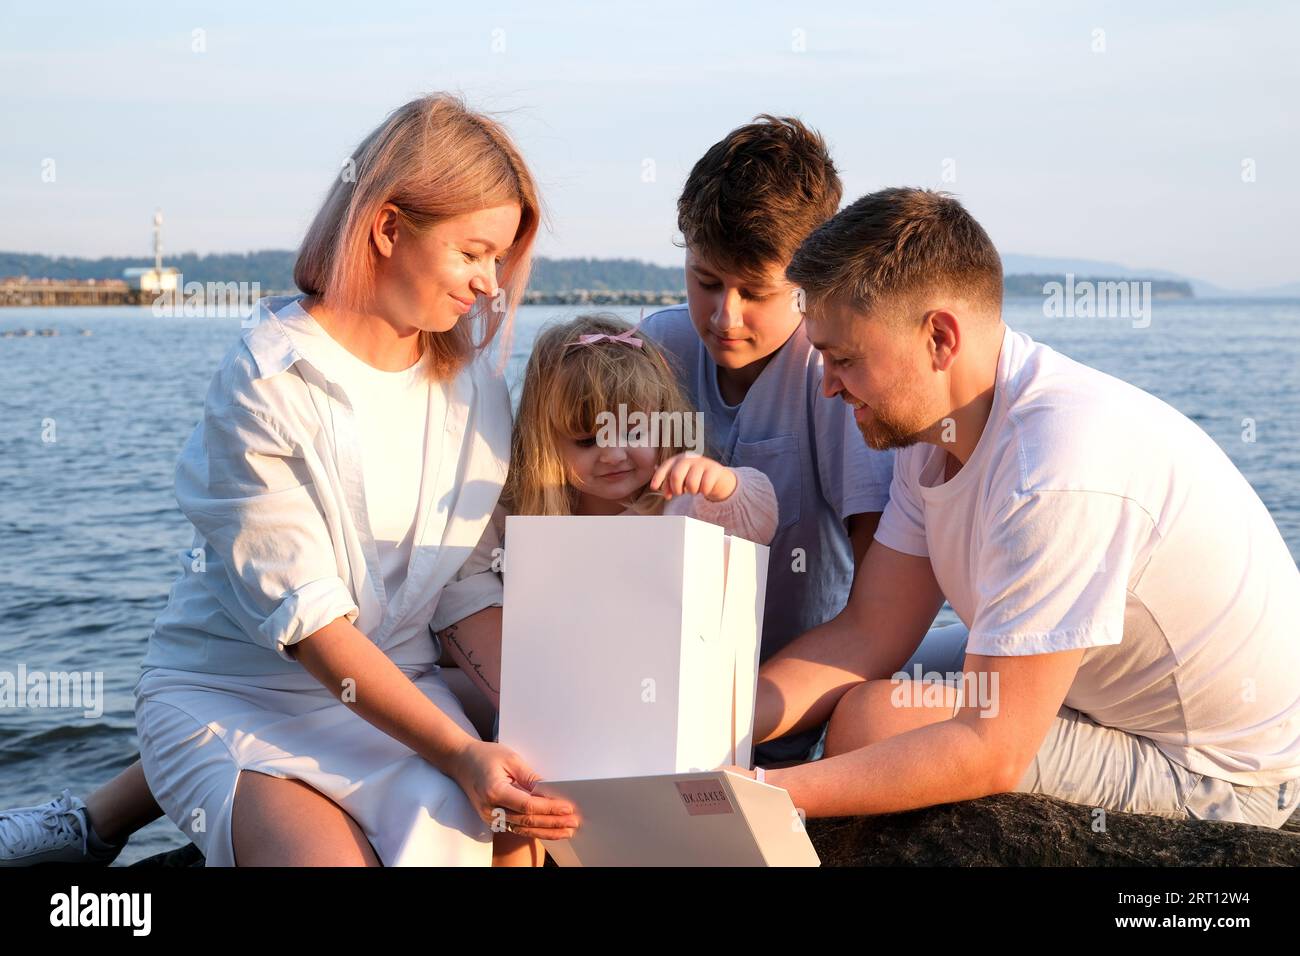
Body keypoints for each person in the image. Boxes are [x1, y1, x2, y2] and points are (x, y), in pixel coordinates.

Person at [0, 94, 580, 867]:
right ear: (388, 227)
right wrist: (459, 753)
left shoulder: (474, 387)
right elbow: (313, 630)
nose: (489, 284)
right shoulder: (266, 379)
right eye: (473, 252)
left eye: (499, 261)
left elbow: (467, 593)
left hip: (399, 703)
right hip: (237, 701)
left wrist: (563, 728)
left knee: (486, 847)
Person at [736, 187, 1300, 828]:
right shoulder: (934, 436)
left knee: (875, 719)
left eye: (844, 359)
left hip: (1222, 769)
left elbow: (991, 750)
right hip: (1095, 692)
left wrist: (759, 793)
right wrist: (707, 724)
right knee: (865, 693)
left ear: (940, 338)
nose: (828, 384)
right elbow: (868, 633)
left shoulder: (1054, 466)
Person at [637, 116, 899, 766]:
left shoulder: (830, 378)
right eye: (705, 282)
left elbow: (879, 598)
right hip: (650, 690)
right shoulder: (656, 348)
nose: (725, 316)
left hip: (784, 718)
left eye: (755, 292)